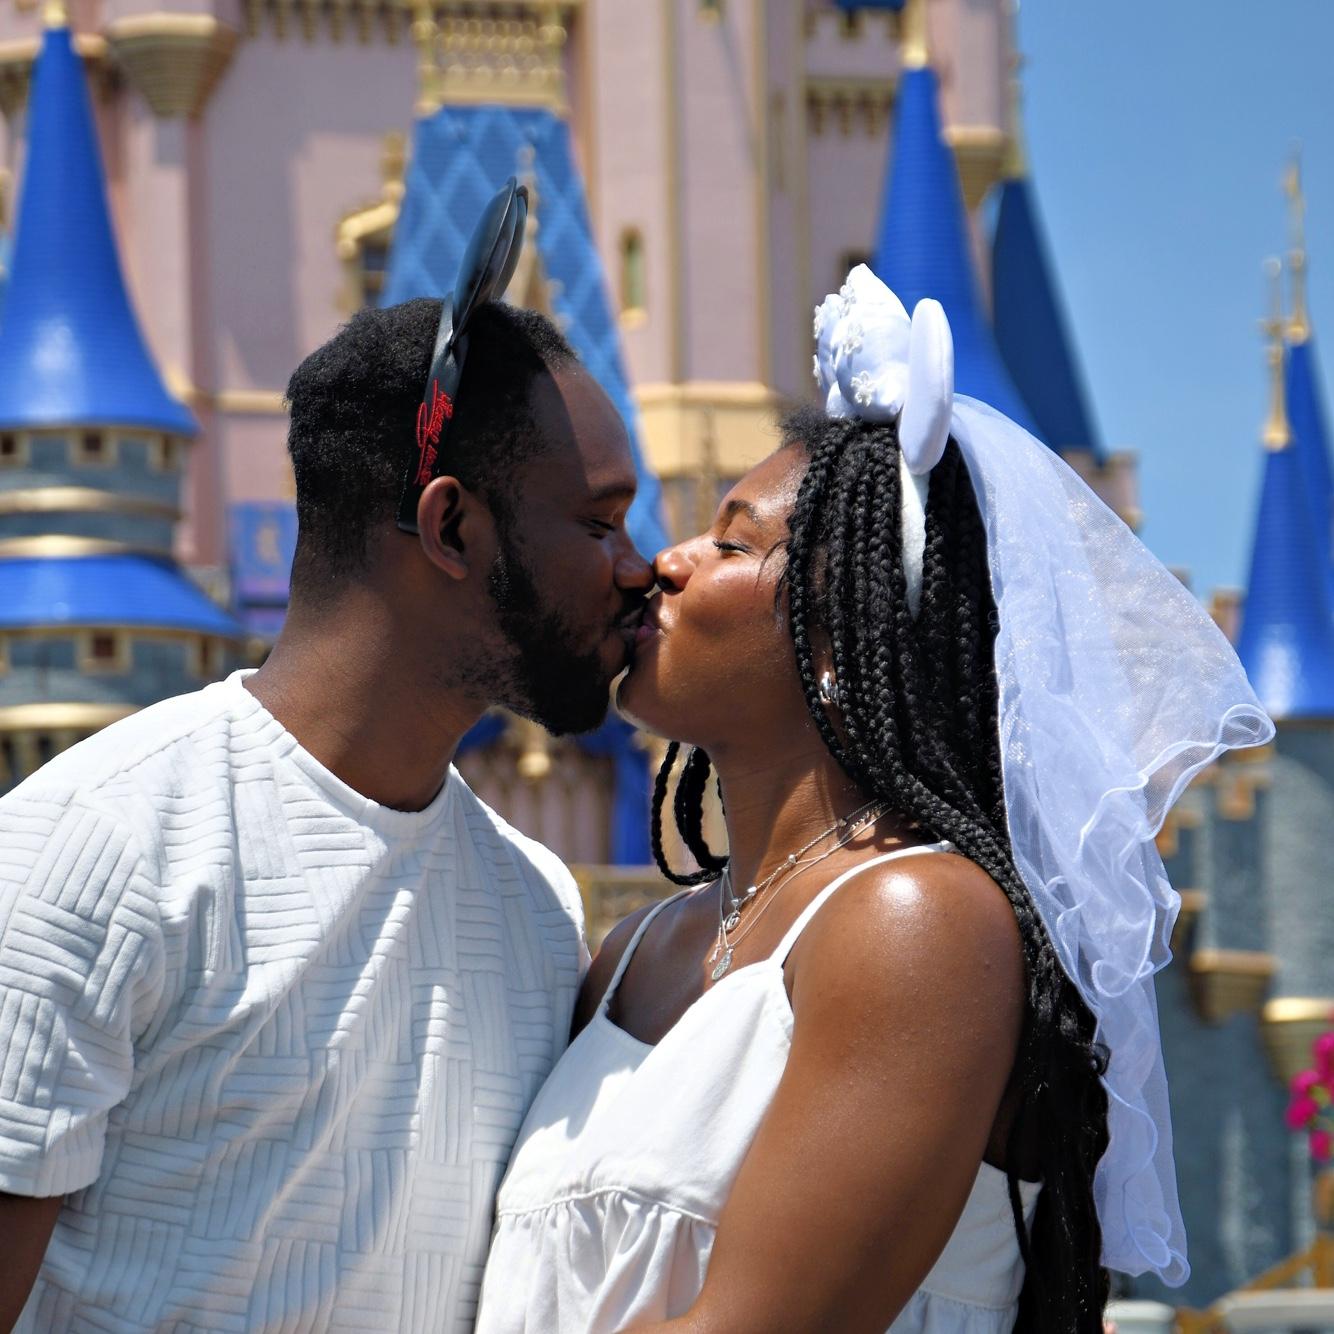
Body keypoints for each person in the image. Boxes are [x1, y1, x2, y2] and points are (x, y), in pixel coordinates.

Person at [475, 267, 1271, 1332]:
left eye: (729, 542)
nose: (663, 563)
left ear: (841, 642)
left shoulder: (917, 924)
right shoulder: (636, 950)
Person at [0, 290, 654, 1332]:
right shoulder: (98, 846)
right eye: (599, 521)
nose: (639, 568)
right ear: (450, 525)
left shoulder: (534, 909)